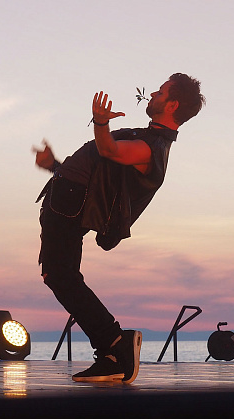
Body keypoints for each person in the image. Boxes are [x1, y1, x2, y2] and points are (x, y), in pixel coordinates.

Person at [34, 73, 205, 383]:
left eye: (161, 92)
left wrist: (100, 122)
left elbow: (109, 150)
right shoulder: (146, 138)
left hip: (68, 208)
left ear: (172, 105)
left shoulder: (150, 148)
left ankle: (115, 345)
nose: (152, 94)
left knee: (60, 275)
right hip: (66, 203)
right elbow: (100, 180)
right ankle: (112, 349)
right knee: (59, 275)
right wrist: (55, 167)